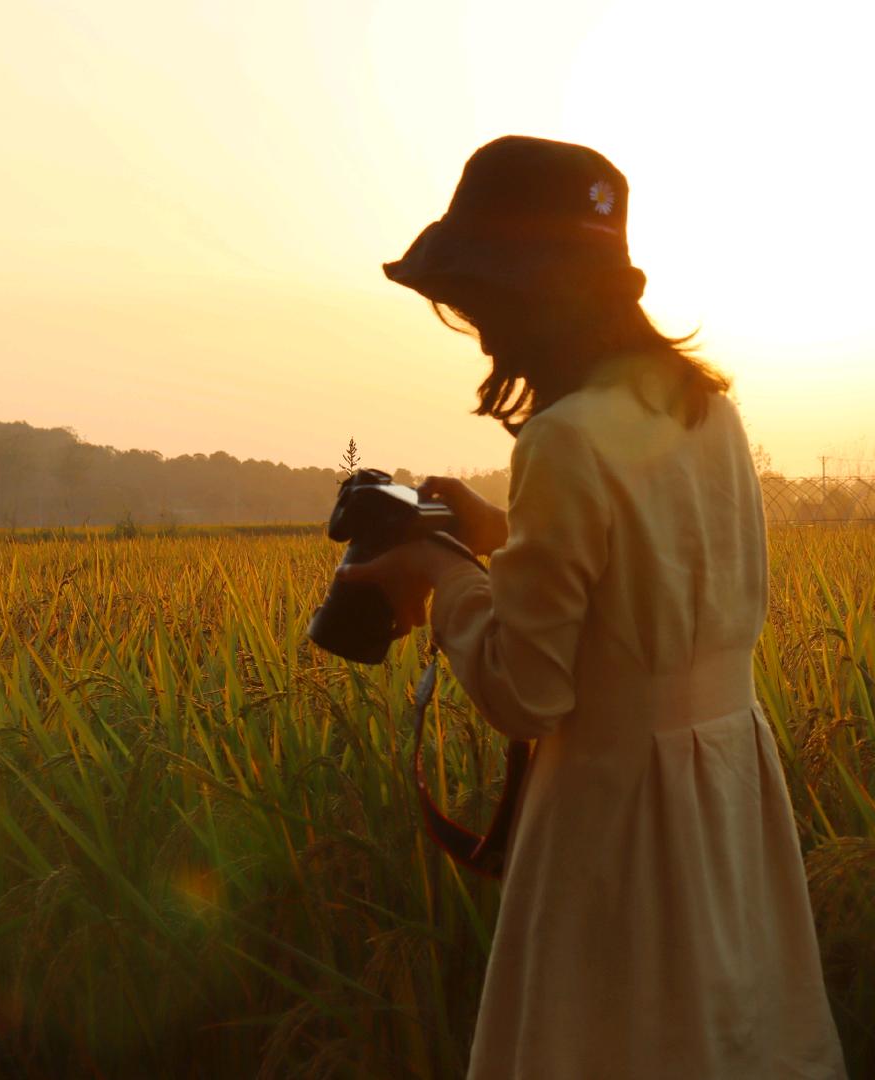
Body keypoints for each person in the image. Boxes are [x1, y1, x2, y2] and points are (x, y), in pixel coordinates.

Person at [337, 136, 847, 1079]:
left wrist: (440, 580)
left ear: (534, 295)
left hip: (620, 812)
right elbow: (652, 582)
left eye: (482, 305)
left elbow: (529, 695)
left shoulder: (565, 441)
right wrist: (501, 540)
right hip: (726, 783)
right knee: (733, 1039)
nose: (482, 335)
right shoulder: (702, 409)